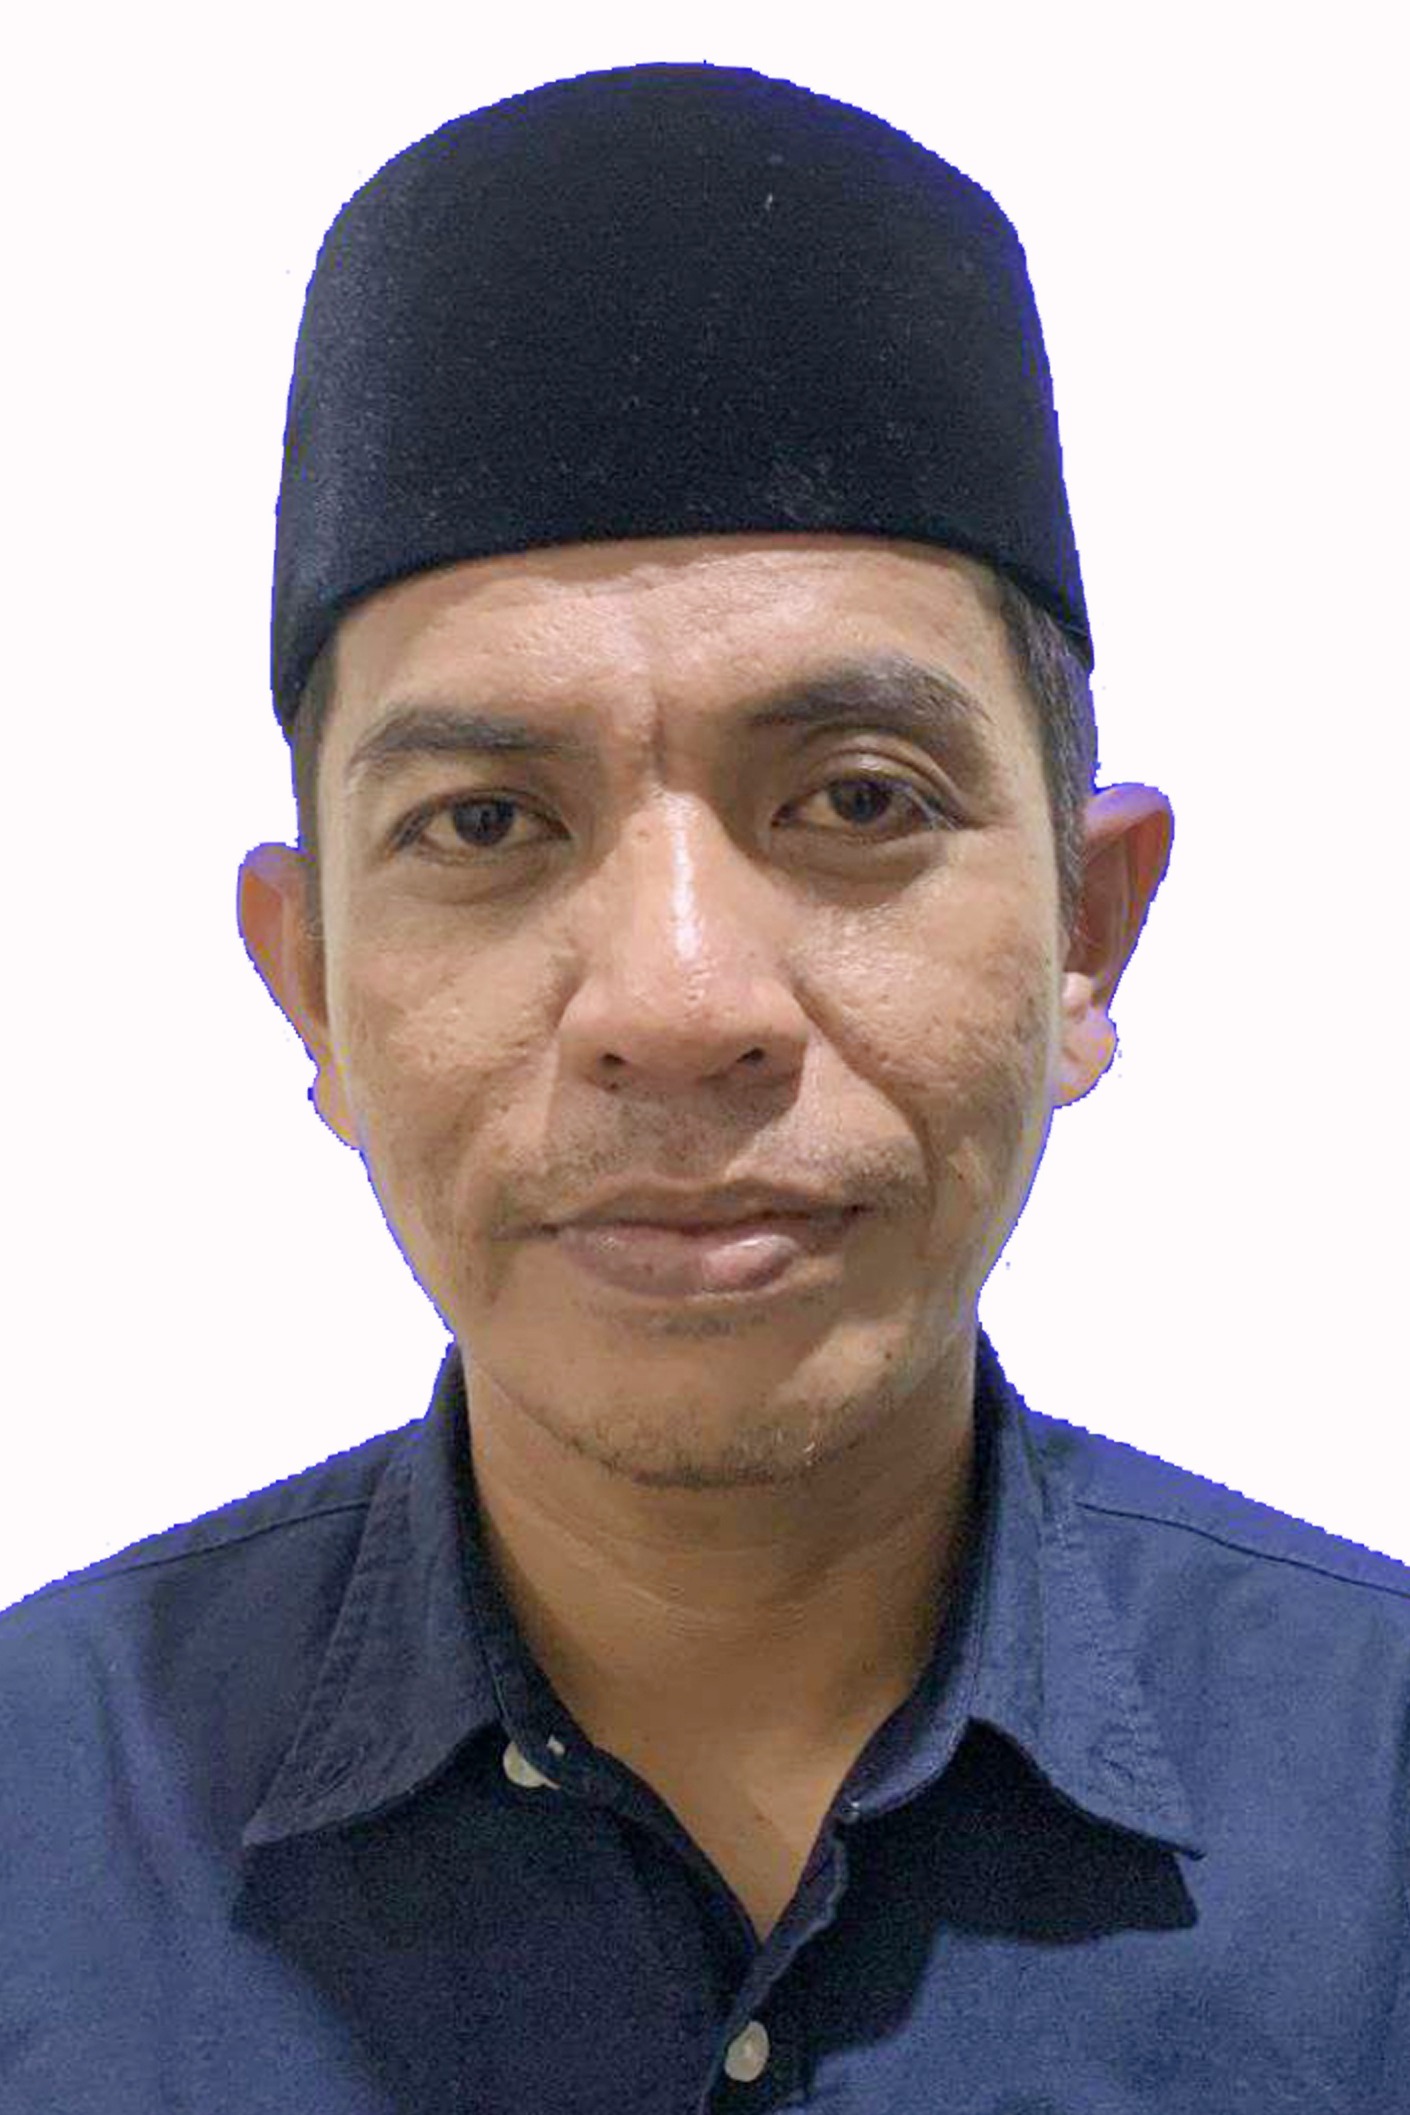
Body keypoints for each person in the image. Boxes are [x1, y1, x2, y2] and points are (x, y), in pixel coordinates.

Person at [3, 61, 1406, 2114]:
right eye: (485, 823)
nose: (675, 1003)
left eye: (856, 798)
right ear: (308, 988)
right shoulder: (41, 1826)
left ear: (1089, 936)